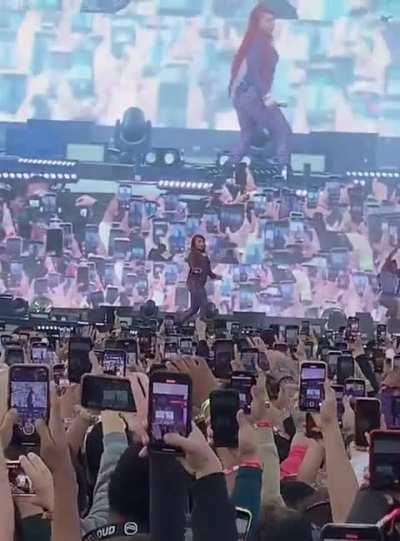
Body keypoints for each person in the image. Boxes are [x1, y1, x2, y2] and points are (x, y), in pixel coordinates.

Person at [228, 5, 292, 170]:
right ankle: (282, 172)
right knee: (282, 131)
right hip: (253, 95)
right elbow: (254, 71)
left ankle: (227, 168)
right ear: (257, 22)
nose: (272, 24)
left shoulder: (255, 41)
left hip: (244, 96)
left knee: (247, 136)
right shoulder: (258, 42)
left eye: (273, 20)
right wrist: (265, 96)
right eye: (268, 21)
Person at [181, 235, 221, 323]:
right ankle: (200, 325)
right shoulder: (193, 253)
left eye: (203, 242)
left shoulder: (205, 255)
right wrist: (195, 269)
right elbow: (192, 263)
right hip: (194, 284)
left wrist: (215, 276)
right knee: (204, 306)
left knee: (194, 309)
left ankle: (178, 321)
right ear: (194, 243)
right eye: (199, 242)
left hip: (199, 285)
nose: (201, 244)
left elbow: (208, 271)